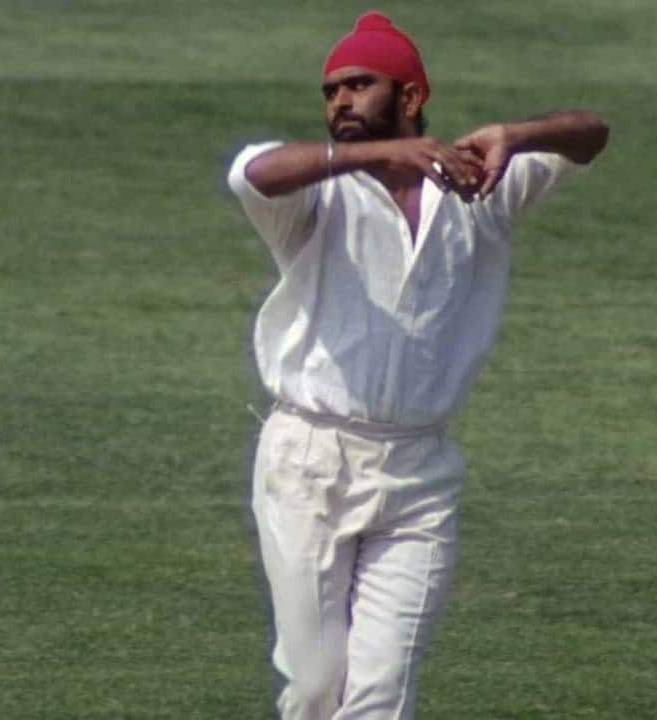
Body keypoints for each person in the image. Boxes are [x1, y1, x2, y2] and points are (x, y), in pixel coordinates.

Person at [226, 11, 609, 720]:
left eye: (359, 85)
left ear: (410, 96)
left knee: (380, 696)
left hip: (419, 470)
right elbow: (251, 173)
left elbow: (592, 134)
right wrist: (372, 158)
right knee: (314, 686)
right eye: (331, 89)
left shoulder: (481, 183)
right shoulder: (317, 192)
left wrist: (514, 135)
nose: (339, 102)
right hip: (307, 459)